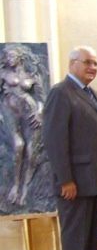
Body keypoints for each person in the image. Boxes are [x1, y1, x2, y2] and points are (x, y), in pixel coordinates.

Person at [42, 46, 97, 250]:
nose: (93, 68)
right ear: (73, 63)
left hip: (93, 176)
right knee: (74, 231)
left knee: (91, 229)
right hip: (74, 180)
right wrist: (65, 179)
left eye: (96, 64)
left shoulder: (89, 93)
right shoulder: (60, 93)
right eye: (88, 63)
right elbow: (54, 140)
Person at [0, 44, 47, 207]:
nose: (9, 59)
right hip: (10, 111)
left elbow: (42, 97)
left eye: (12, 56)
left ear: (20, 56)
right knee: (18, 146)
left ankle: (26, 190)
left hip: (30, 112)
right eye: (7, 56)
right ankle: (15, 185)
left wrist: (40, 113)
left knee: (31, 151)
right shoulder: (3, 73)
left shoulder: (31, 73)